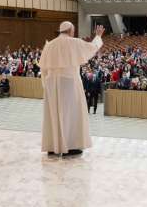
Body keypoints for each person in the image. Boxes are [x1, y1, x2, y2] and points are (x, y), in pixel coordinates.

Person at [39, 22, 105, 157]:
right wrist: (97, 36)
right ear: (69, 30)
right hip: (69, 82)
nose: (74, 33)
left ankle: (53, 146)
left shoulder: (49, 45)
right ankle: (71, 146)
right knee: (71, 114)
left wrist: (46, 85)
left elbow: (43, 69)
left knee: (54, 113)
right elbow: (92, 48)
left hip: (51, 83)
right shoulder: (73, 42)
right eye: (73, 31)